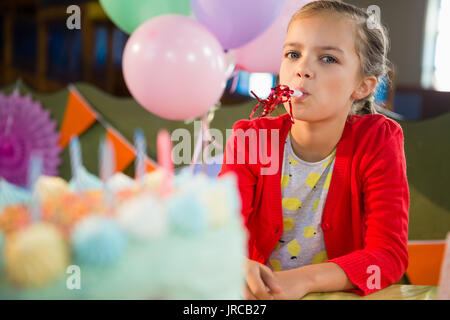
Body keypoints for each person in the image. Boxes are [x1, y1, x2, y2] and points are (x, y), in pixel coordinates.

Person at [218, 0, 409, 300]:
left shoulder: (378, 141)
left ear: (362, 86)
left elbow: (387, 257)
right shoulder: (249, 140)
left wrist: (303, 281)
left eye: (328, 59)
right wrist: (236, 265)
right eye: (293, 54)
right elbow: (220, 235)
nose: (302, 69)